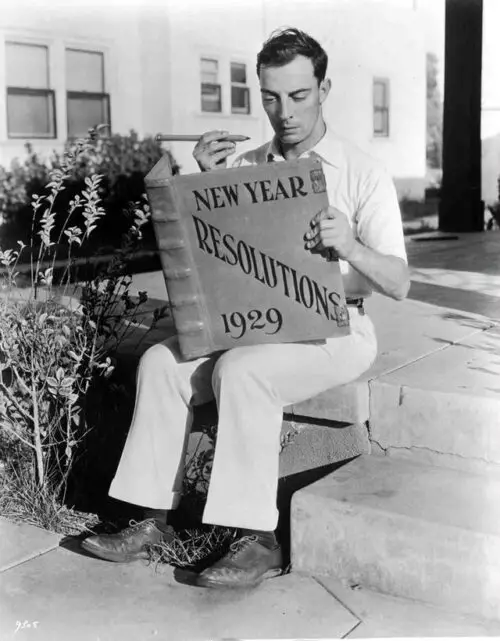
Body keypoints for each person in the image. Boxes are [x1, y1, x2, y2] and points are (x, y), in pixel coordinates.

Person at [82, 27, 409, 588]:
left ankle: (256, 538)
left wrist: (351, 246)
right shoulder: (248, 165)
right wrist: (209, 186)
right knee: (162, 362)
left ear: (324, 88)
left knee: (242, 370)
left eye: (299, 95)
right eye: (271, 97)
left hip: (334, 331)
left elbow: (400, 282)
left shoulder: (362, 171)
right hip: (256, 322)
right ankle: (149, 518)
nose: (284, 112)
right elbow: (218, 255)